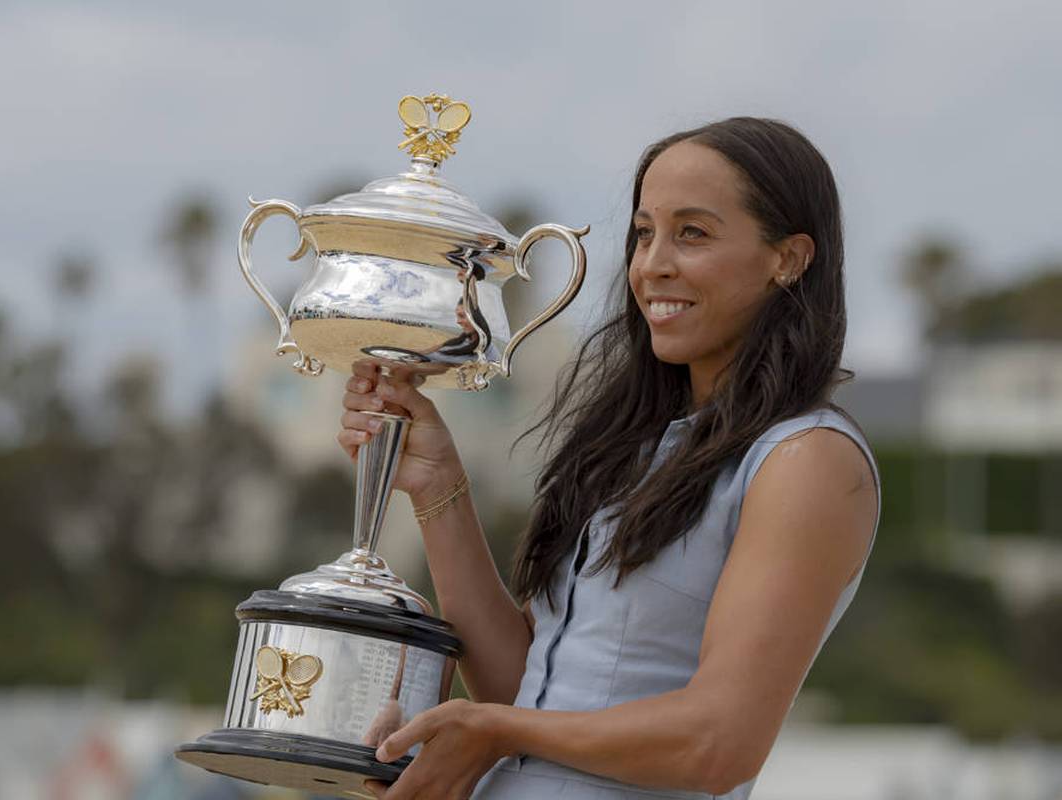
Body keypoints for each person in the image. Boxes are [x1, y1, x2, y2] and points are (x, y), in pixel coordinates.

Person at [338, 117, 880, 800]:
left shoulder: (806, 460)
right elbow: (522, 690)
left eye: (693, 233)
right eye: (644, 232)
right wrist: (437, 485)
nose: (653, 264)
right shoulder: (638, 449)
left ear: (789, 258)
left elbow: (719, 744)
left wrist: (501, 731)